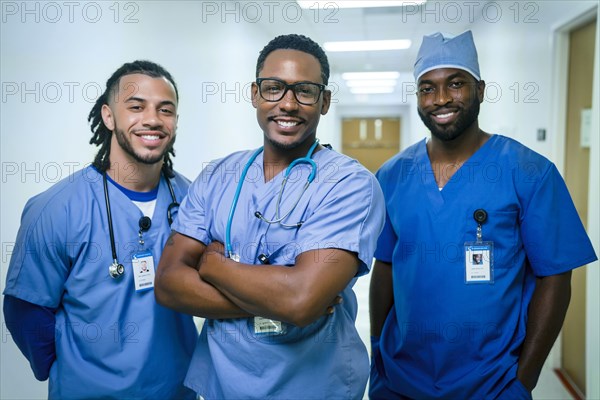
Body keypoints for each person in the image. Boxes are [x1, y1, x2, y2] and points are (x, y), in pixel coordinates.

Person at [369, 30, 598, 399]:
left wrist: (524, 380)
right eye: (427, 88)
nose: (440, 98)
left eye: (455, 84)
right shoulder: (393, 175)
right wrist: (378, 349)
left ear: (481, 89)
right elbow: (385, 266)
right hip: (399, 379)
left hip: (492, 384)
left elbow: (555, 279)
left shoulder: (529, 171)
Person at [155, 34, 385, 399]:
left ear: (324, 101)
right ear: (255, 94)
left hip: (313, 387)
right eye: (274, 88)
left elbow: (300, 301)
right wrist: (281, 297)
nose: (288, 104)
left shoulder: (350, 184)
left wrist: (214, 266)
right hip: (222, 386)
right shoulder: (218, 176)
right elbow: (168, 282)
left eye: (305, 91)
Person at [3, 60, 198, 399]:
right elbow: (26, 313)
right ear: (109, 116)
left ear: (176, 122)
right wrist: (80, 372)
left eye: (165, 110)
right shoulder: (57, 208)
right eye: (136, 107)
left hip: (176, 391)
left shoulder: (195, 201)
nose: (152, 119)